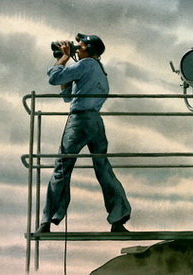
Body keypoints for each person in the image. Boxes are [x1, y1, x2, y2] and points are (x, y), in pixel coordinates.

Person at [36, 33, 131, 233]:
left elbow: (54, 78)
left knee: (62, 168)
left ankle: (48, 220)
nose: (76, 48)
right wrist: (67, 66)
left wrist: (62, 59)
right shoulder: (99, 71)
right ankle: (118, 216)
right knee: (103, 168)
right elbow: (68, 96)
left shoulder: (86, 64)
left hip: (79, 121)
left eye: (79, 46)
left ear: (88, 49)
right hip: (95, 122)